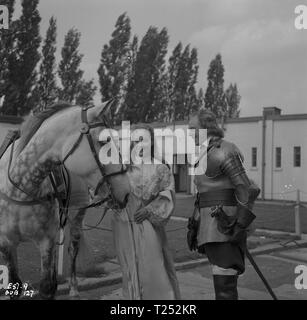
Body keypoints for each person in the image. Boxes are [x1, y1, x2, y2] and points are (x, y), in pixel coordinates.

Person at [187, 109, 260, 300]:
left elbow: (246, 188)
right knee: (220, 281)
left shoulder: (225, 150)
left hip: (225, 225)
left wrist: (240, 224)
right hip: (210, 226)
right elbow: (203, 194)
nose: (188, 133)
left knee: (224, 285)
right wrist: (195, 224)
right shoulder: (203, 153)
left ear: (206, 128)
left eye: (192, 128)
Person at [111, 124, 181, 300]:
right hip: (125, 227)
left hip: (149, 225)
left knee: (154, 267)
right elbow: (112, 194)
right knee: (129, 269)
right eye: (135, 140)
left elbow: (168, 195)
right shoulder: (122, 168)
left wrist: (149, 210)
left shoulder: (161, 168)